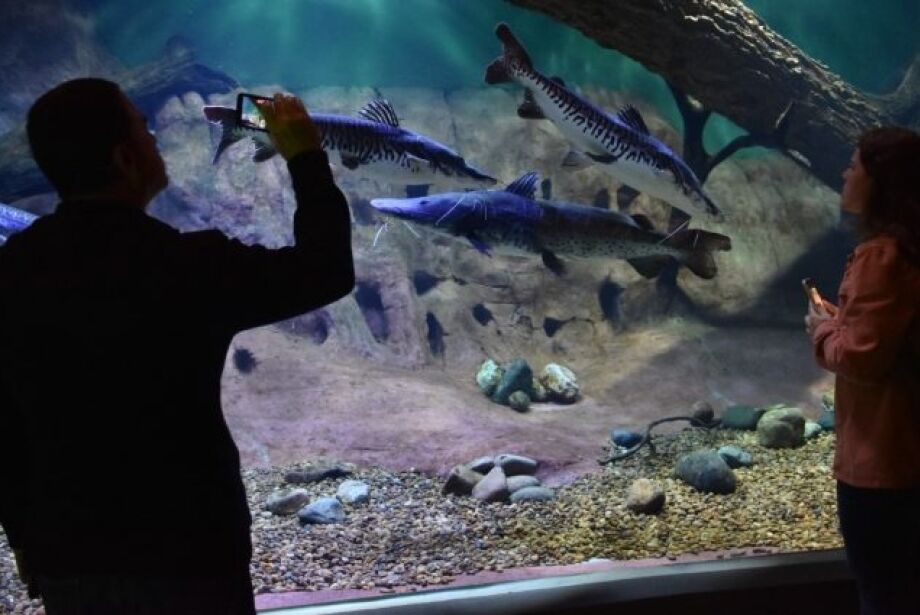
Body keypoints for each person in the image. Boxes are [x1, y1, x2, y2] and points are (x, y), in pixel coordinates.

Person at [0, 78, 354, 614]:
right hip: (191, 549)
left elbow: (3, 420)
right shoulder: (189, 267)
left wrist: (22, 533)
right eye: (144, 127)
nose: (155, 135)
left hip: (72, 551)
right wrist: (304, 155)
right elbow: (325, 270)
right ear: (124, 157)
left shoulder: (12, 273)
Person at [806, 126, 920, 615]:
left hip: (882, 465)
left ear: (881, 182)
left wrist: (822, 329)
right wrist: (847, 322)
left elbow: (861, 359)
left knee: (883, 592)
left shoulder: (883, 255)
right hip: (911, 457)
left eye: (854, 166)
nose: (844, 173)